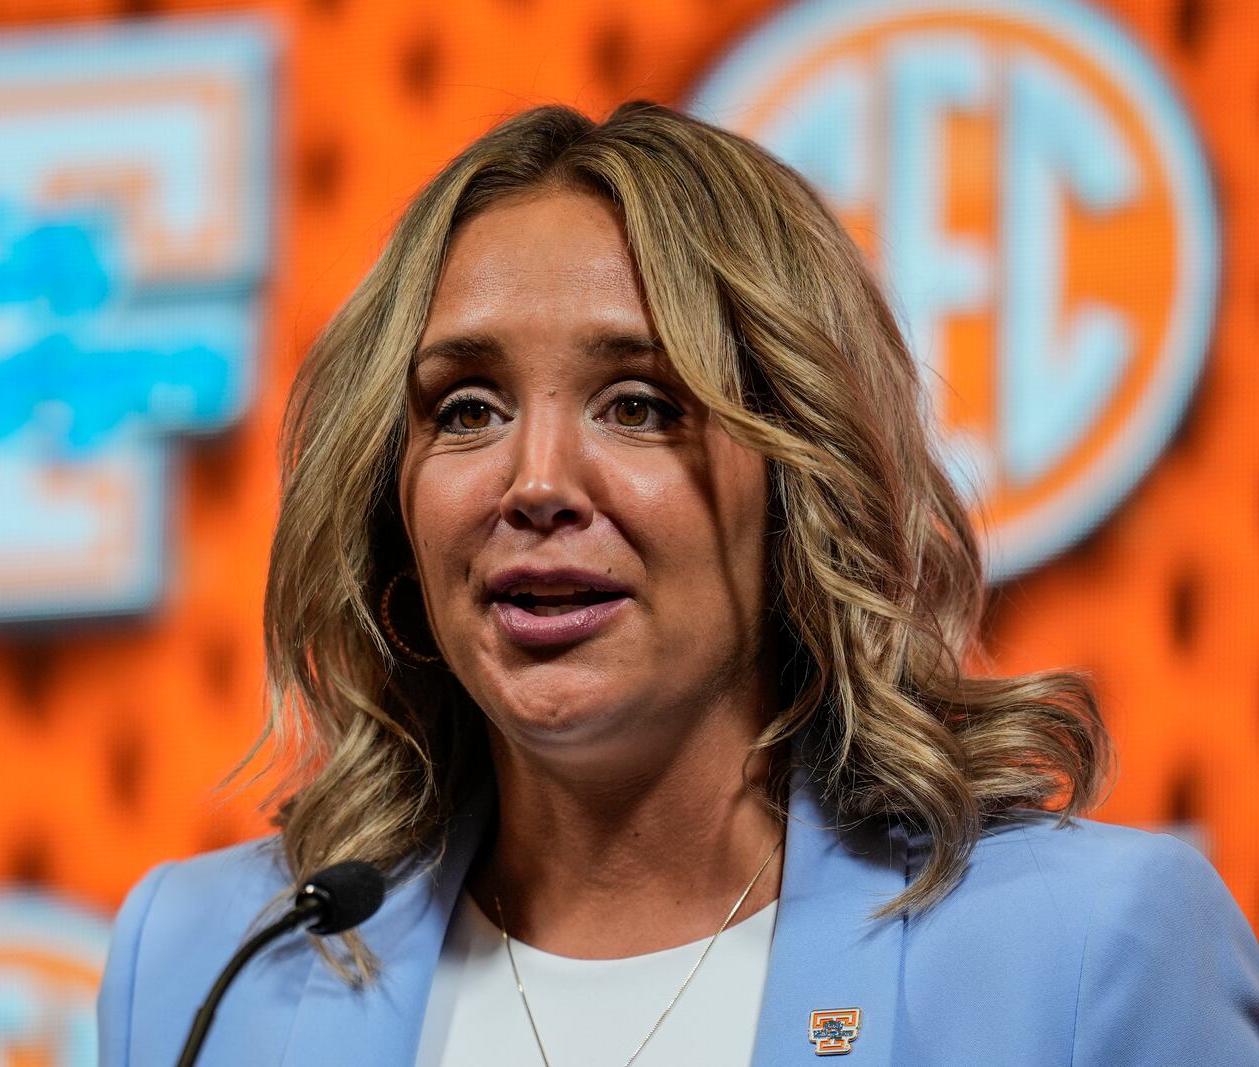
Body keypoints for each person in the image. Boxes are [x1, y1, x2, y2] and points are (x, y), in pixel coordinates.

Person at [96, 102, 1259, 1066]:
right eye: (466, 409)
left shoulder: (1082, 948)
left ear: (802, 479)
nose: (535, 480)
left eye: (641, 405)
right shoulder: (206, 963)